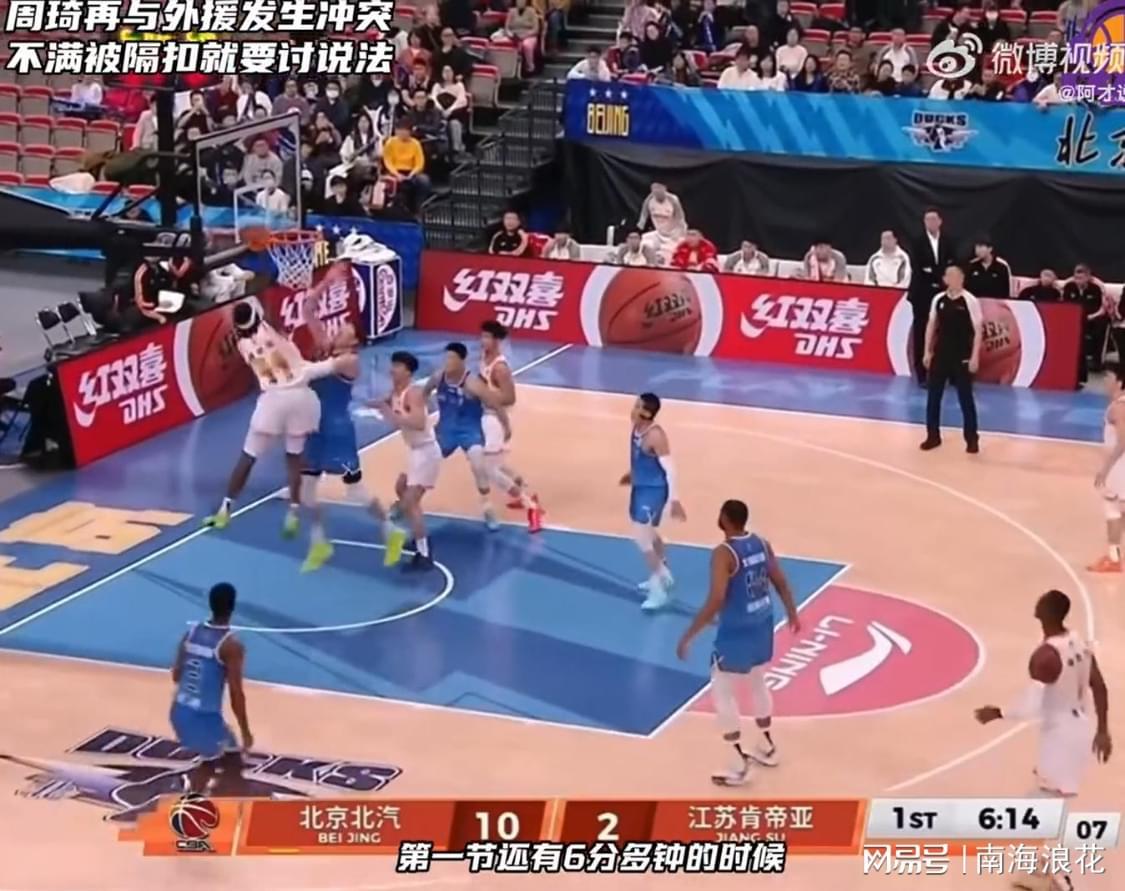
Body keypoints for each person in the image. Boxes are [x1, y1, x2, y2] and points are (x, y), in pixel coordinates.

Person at [676, 499, 800, 786]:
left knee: (722, 690)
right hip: (762, 622)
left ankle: (738, 763)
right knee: (757, 680)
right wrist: (792, 613)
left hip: (737, 630)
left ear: (725, 519)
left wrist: (689, 634)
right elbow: (780, 581)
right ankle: (768, 746)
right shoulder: (761, 544)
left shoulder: (724, 553)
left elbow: (717, 598)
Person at [203, 302, 341, 536]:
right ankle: (294, 513)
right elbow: (273, 319)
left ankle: (224, 511)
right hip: (300, 398)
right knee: (294, 457)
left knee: (248, 457)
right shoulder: (273, 328)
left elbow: (247, 324)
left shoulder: (242, 344)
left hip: (273, 401)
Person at [298, 290, 406, 573]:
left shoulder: (350, 362)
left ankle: (391, 530)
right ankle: (319, 543)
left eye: (343, 331)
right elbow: (308, 310)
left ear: (353, 342)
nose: (336, 331)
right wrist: (326, 283)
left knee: (354, 490)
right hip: (315, 431)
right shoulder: (326, 347)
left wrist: (287, 366)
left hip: (338, 433)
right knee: (306, 490)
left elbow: (307, 372)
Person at [974, 589, 1110, 798]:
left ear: (1045, 612)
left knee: (1046, 800)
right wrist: (1102, 731)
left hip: (1060, 734)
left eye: (1043, 600)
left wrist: (1000, 713)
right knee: (1056, 798)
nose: (1039, 600)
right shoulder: (1079, 643)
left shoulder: (1045, 657)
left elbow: (1033, 700)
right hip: (1081, 729)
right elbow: (1099, 687)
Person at [169, 582, 252, 795]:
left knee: (232, 756)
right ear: (233, 606)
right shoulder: (231, 645)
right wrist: (245, 731)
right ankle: (188, 806)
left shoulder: (190, 633)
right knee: (212, 763)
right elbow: (236, 694)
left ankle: (222, 796)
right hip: (203, 718)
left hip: (179, 711)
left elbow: (176, 675)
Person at [372, 351, 441, 569]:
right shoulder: (395, 393)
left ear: (408, 372)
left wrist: (388, 412)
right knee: (401, 488)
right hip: (415, 451)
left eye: (397, 366)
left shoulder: (414, 393)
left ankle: (424, 554)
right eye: (392, 365)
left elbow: (419, 423)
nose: (392, 369)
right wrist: (375, 404)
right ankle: (418, 533)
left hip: (426, 452)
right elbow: (388, 408)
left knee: (411, 503)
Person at [427, 342, 503, 531]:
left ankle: (487, 508)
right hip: (445, 430)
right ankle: (404, 504)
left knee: (478, 464)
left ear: (462, 361)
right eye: (446, 357)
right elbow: (421, 395)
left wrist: (506, 426)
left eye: (452, 358)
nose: (447, 362)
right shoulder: (438, 377)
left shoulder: (472, 383)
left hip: (469, 430)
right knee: (424, 465)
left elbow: (495, 403)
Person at [620, 392, 685, 610]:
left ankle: (661, 585)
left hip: (654, 491)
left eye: (637, 406)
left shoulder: (655, 436)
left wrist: (675, 500)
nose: (632, 409)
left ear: (647, 413)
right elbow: (639, 457)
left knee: (641, 537)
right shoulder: (637, 428)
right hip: (640, 487)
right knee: (648, 532)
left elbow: (671, 470)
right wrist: (632, 473)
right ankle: (659, 572)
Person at [479, 320, 545, 532]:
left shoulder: (500, 368)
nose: (483, 340)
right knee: (495, 463)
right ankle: (523, 487)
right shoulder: (484, 358)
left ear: (497, 340)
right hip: (485, 416)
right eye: (482, 336)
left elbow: (510, 398)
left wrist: (485, 395)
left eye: (487, 337)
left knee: (489, 469)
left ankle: (530, 505)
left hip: (495, 420)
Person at [921, 265, 982, 454]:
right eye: (950, 276)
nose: (954, 279)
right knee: (933, 397)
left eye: (958, 276)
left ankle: (971, 438)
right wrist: (927, 351)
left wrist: (975, 356)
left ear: (962, 279)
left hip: (962, 355)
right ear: (945, 279)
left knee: (965, 398)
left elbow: (978, 330)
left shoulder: (969, 300)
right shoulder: (938, 299)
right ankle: (933, 436)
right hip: (941, 354)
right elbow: (931, 325)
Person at [908, 208, 957, 386]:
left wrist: (941, 278)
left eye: (933, 219)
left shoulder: (948, 241)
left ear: (940, 221)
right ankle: (922, 375)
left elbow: (951, 263)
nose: (930, 223)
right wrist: (937, 275)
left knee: (947, 332)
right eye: (927, 220)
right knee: (921, 332)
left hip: (944, 291)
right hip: (922, 293)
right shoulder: (917, 242)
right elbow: (920, 267)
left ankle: (949, 373)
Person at [1090, 363, 1125, 573]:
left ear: (1119, 382)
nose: (1104, 381)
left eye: (1108, 377)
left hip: (1119, 467)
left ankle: (1113, 559)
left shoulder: (1118, 407)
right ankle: (1115, 555)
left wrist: (1105, 469)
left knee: (1112, 509)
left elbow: (1122, 441)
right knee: (1121, 510)